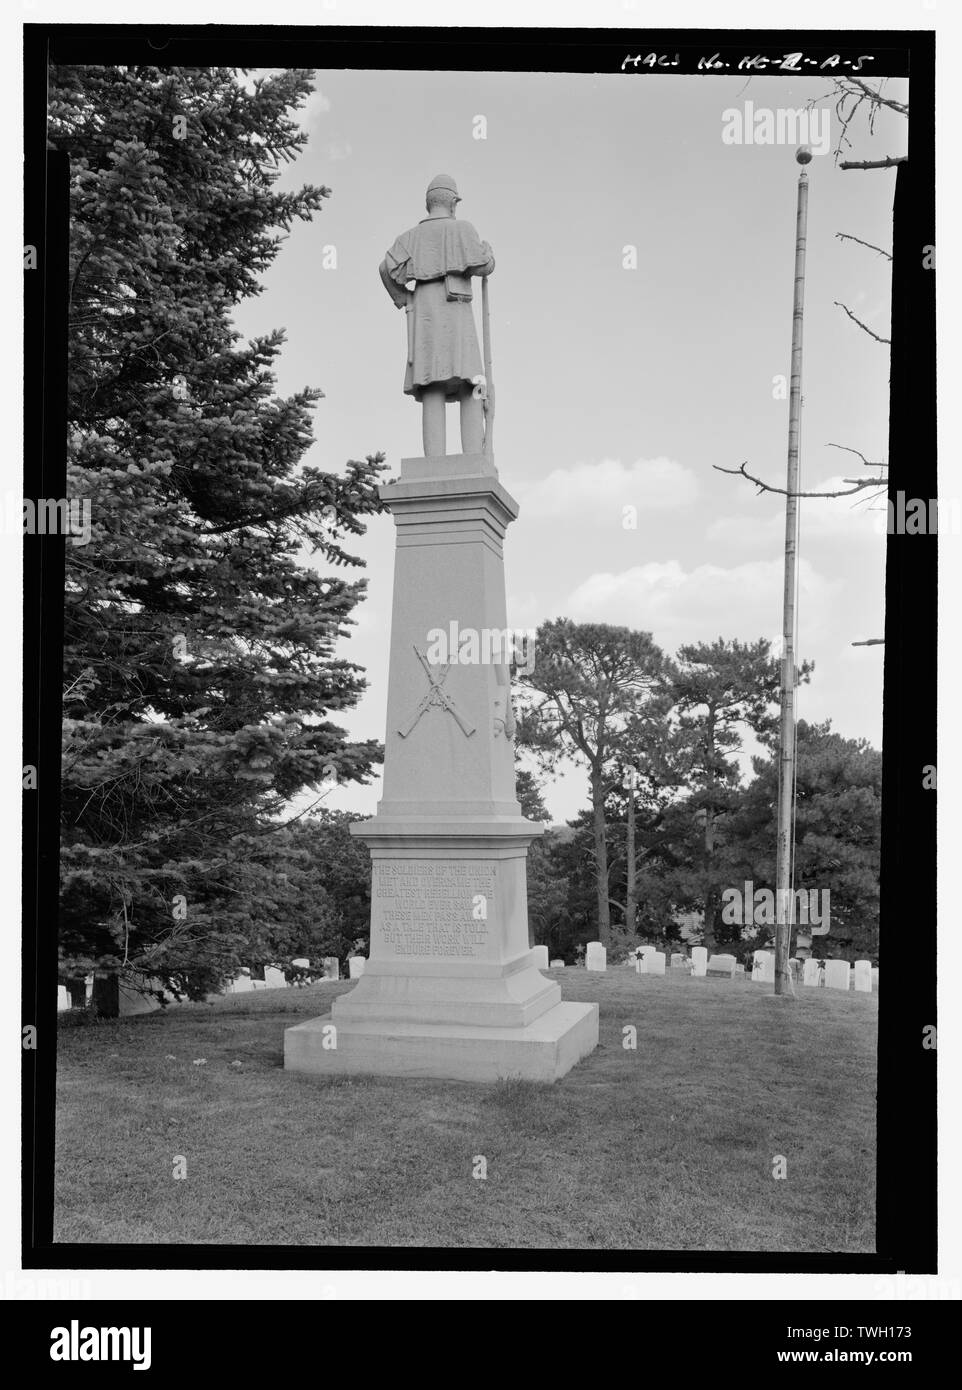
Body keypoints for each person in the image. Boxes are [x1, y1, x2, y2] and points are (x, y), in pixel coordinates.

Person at [379, 174, 495, 457]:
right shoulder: (462, 229)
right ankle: (473, 458)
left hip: (426, 312)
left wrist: (403, 297)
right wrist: (489, 255)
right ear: (453, 203)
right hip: (455, 312)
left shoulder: (410, 238)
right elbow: (484, 265)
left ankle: (434, 461)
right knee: (470, 383)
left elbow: (385, 269)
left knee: (432, 384)